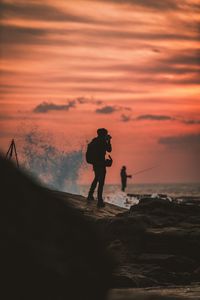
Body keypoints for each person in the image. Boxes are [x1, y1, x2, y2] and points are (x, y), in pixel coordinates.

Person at [87, 128, 112, 208]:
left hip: (95, 163)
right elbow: (109, 150)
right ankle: (100, 201)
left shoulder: (94, 141)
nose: (106, 135)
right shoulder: (102, 141)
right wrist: (108, 141)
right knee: (101, 182)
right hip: (100, 163)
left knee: (96, 178)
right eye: (106, 134)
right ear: (103, 134)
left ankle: (90, 195)